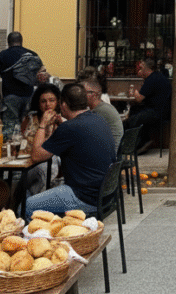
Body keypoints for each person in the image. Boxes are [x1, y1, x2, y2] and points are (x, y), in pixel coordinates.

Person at [25, 82, 116, 220]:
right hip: (106, 195)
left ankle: (38, 239)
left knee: (26, 205)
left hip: (84, 198)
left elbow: (36, 156)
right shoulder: (99, 119)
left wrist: (43, 124)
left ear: (64, 105)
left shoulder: (69, 128)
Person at [0, 32, 43, 136]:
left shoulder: (4, 54)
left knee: (10, 127)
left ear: (8, 42)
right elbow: (41, 71)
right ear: (21, 41)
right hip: (29, 96)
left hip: (11, 97)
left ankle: (9, 150)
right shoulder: (33, 54)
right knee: (27, 126)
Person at [20, 82, 62, 195]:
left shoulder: (62, 121)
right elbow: (20, 141)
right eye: (43, 101)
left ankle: (28, 204)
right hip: (29, 165)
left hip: (53, 168)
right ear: (38, 104)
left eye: (52, 100)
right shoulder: (29, 119)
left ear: (58, 102)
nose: (48, 104)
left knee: (53, 162)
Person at [123, 57, 172, 148]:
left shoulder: (151, 79)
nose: (139, 70)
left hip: (158, 113)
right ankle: (142, 141)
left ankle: (138, 145)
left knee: (133, 120)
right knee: (135, 111)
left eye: (141, 68)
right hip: (163, 111)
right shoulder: (157, 76)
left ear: (146, 68)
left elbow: (139, 98)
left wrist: (134, 91)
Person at [82, 78, 123, 145]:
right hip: (113, 148)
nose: (81, 96)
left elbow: (85, 131)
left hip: (110, 151)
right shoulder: (103, 106)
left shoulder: (99, 110)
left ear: (94, 94)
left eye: (84, 93)